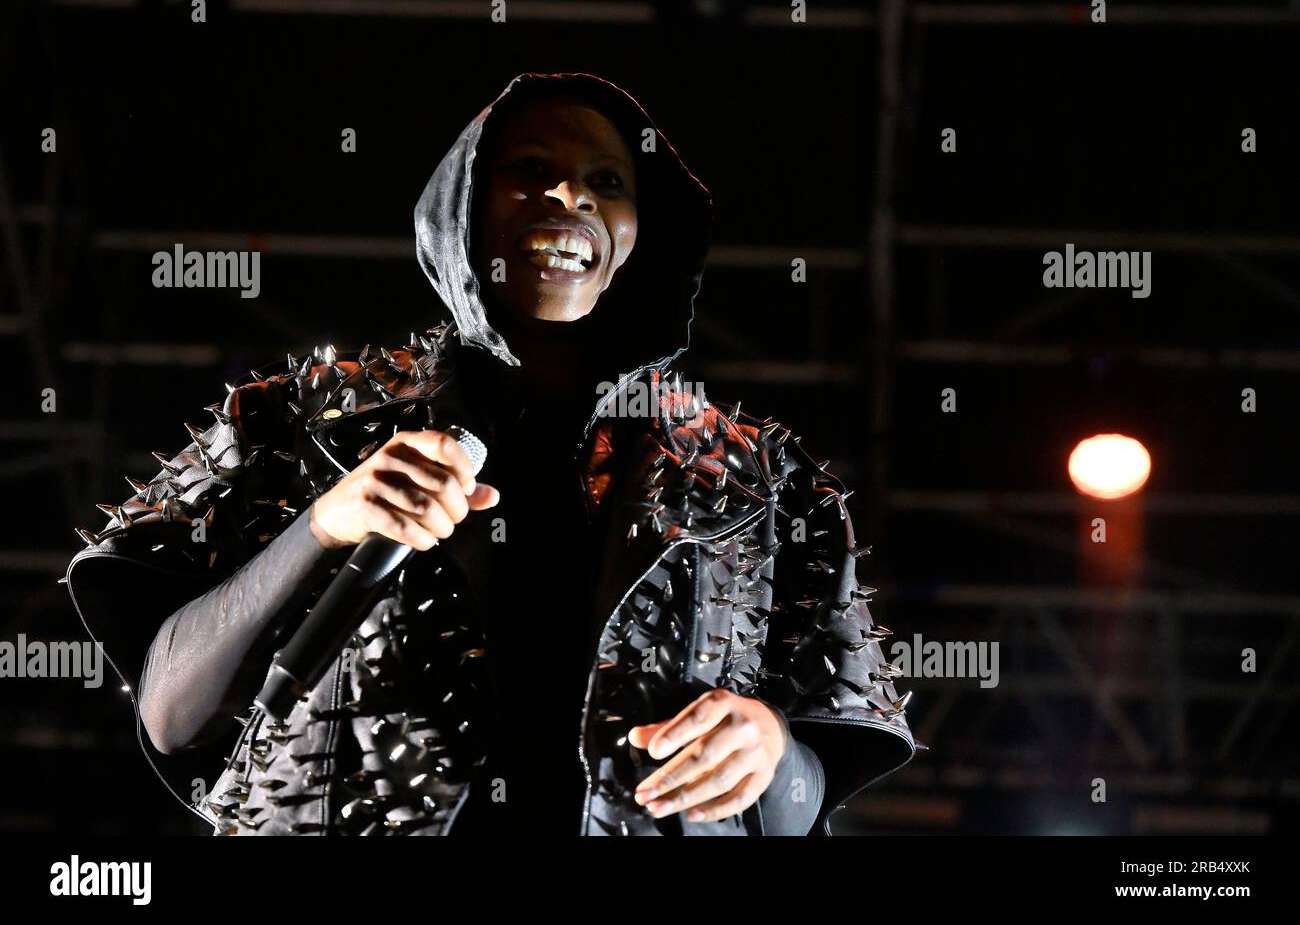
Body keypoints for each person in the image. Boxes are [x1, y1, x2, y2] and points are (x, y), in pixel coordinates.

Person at [64, 72, 916, 836]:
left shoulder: (764, 485)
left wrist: (771, 749)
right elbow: (173, 718)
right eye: (526, 169)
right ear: (461, 208)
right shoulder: (294, 422)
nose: (566, 195)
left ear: (640, 231)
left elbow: (810, 795)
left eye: (605, 182)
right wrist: (321, 524)